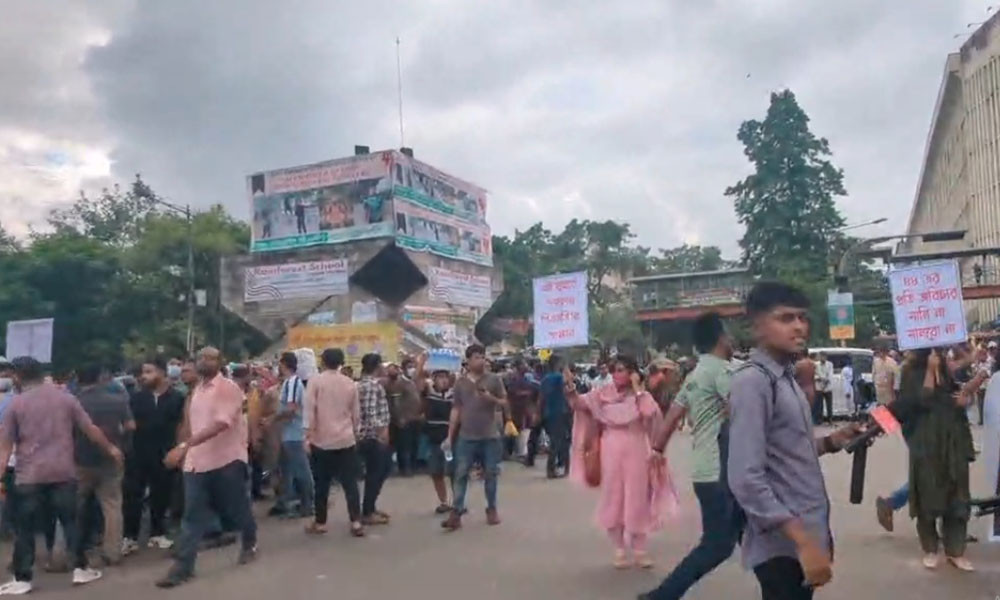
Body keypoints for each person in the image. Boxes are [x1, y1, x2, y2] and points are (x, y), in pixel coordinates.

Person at [727, 282, 863, 599]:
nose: (799, 326)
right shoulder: (753, 382)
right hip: (782, 545)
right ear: (757, 326)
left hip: (805, 531)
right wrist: (802, 540)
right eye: (786, 318)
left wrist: (831, 442)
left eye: (802, 317)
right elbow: (745, 477)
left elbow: (785, 451)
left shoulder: (785, 379)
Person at [0, 356, 124, 595]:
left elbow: (5, 445)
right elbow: (90, 429)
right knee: (70, 522)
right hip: (63, 472)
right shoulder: (66, 399)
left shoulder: (15, 405)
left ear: (17, 376)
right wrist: (110, 448)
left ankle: (22, 578)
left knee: (25, 527)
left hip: (29, 474)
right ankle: (79, 568)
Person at [641, 312, 739, 599]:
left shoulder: (697, 373)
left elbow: (673, 414)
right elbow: (741, 412)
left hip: (705, 470)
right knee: (718, 544)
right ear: (721, 338)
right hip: (722, 471)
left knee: (751, 535)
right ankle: (662, 595)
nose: (732, 339)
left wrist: (657, 449)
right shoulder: (722, 371)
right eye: (729, 334)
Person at [157, 347, 258, 588]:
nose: (205, 361)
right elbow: (191, 425)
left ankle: (249, 543)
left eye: (210, 357)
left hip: (227, 461)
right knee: (192, 517)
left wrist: (184, 446)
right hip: (197, 463)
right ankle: (183, 567)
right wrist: (183, 450)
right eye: (201, 357)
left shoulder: (228, 388)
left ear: (220, 362)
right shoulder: (197, 392)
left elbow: (221, 424)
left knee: (237, 509)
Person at [568, 356, 672, 570]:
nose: (617, 374)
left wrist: (637, 388)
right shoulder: (601, 394)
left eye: (622, 370)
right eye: (614, 370)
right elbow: (579, 403)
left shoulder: (641, 396)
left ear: (633, 372)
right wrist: (569, 387)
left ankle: (640, 548)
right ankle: (619, 548)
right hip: (610, 449)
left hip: (636, 448)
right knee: (613, 495)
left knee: (637, 495)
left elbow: (649, 413)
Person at [891, 348, 982, 571]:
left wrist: (964, 400)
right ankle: (930, 549)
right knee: (928, 494)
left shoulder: (947, 370)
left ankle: (956, 551)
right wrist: (930, 372)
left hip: (953, 440)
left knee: (958, 495)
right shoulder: (911, 371)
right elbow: (920, 401)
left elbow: (958, 396)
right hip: (926, 443)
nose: (938, 352)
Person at [122, 357, 186, 555]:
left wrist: (178, 449)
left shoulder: (177, 398)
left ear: (162, 372)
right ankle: (129, 536)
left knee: (162, 494)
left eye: (149, 371)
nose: (144, 376)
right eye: (143, 372)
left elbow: (181, 425)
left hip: (164, 452)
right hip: (138, 453)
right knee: (133, 495)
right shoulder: (136, 398)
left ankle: (157, 533)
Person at [73, 364, 134, 566]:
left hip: (79, 460)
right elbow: (130, 426)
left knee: (74, 507)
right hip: (111, 458)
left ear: (77, 379)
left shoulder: (73, 402)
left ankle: (66, 552)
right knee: (112, 505)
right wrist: (122, 446)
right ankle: (112, 552)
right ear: (100, 377)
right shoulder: (118, 400)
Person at [441, 344, 507, 531]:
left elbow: (504, 402)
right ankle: (457, 512)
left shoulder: (494, 380)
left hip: (490, 435)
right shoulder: (461, 383)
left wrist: (490, 399)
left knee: (491, 474)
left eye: (482, 357)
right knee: (460, 474)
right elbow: (456, 409)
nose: (481, 360)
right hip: (466, 436)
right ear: (468, 360)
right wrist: (449, 436)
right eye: (477, 357)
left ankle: (491, 509)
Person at [303, 349, 363, 537]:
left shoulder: (316, 381)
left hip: (322, 441)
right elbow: (356, 414)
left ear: (323, 361)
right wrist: (355, 431)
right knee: (350, 483)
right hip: (345, 439)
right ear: (341, 362)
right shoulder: (350, 383)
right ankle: (356, 522)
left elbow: (309, 411)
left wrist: (308, 436)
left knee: (322, 483)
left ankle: (320, 522)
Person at [268, 352, 313, 518]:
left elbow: (291, 409)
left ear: (284, 364)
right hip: (289, 433)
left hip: (294, 434)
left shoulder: (292, 383)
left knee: (301, 471)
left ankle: (308, 505)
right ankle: (291, 502)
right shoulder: (290, 382)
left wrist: (271, 419)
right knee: (289, 470)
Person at [416, 353, 456, 514]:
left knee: (454, 472)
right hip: (433, 439)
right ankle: (444, 502)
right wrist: (421, 363)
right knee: (436, 472)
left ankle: (458, 500)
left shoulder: (454, 394)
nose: (443, 380)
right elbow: (417, 380)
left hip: (451, 439)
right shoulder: (429, 392)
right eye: (440, 377)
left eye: (445, 377)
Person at [357, 353, 392, 526]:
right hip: (372, 436)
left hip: (369, 435)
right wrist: (381, 432)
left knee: (380, 471)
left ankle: (370, 507)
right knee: (376, 472)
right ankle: (368, 511)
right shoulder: (371, 386)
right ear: (377, 366)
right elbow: (370, 413)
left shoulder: (365, 384)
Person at [385, 360, 422, 477]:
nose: (412, 369)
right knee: (404, 445)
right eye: (410, 367)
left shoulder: (411, 382)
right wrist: (399, 417)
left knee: (412, 444)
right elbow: (395, 402)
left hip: (414, 418)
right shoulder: (397, 383)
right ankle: (405, 468)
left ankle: (411, 466)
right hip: (403, 418)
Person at [537, 355, 571, 479]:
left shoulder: (545, 379)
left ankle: (553, 468)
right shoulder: (557, 377)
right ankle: (561, 468)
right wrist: (566, 369)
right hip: (560, 412)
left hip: (549, 413)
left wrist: (538, 413)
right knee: (562, 441)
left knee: (555, 441)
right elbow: (568, 382)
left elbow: (541, 398)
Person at [504, 359, 538, 462]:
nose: (526, 366)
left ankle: (518, 452)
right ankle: (510, 452)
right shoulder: (514, 378)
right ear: (519, 366)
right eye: (524, 364)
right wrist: (526, 393)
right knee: (513, 431)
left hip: (523, 408)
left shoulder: (526, 378)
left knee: (521, 430)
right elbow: (512, 392)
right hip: (515, 408)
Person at [794, 351, 817, 424]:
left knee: (800, 410)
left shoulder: (798, 365)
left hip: (801, 388)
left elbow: (793, 376)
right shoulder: (813, 364)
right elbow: (814, 378)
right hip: (811, 389)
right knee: (809, 410)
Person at [814, 353, 834, 424]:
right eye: (821, 357)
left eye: (824, 357)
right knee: (819, 405)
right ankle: (819, 420)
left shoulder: (830, 364)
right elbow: (814, 375)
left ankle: (830, 419)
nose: (822, 358)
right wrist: (820, 378)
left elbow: (830, 375)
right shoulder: (816, 364)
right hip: (819, 387)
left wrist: (823, 380)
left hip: (827, 387)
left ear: (826, 357)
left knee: (829, 404)